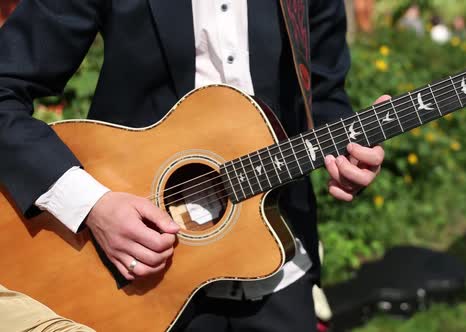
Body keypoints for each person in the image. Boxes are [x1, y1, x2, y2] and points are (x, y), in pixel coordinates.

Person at [0, 1, 386, 331]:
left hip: (278, 265)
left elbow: (324, 93)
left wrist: (349, 152)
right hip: (136, 279)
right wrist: (90, 206)